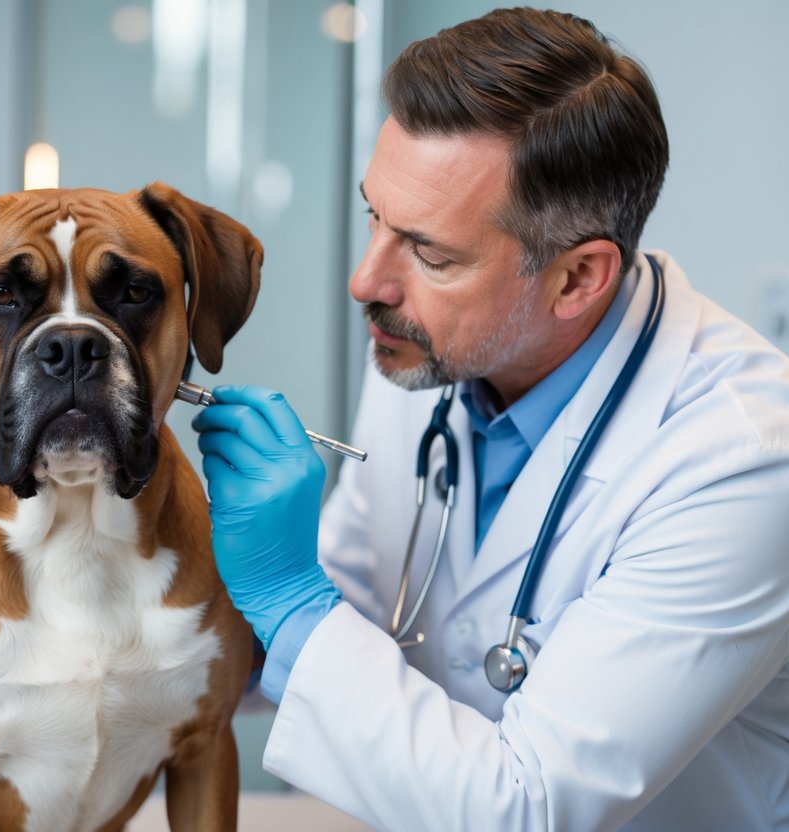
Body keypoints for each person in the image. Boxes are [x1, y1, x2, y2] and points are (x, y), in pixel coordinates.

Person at [192, 7, 789, 831]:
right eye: (373, 217)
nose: (366, 281)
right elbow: (366, 598)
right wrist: (194, 589)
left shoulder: (742, 460)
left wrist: (287, 598)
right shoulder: (428, 352)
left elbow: (527, 806)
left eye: (430, 254)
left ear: (577, 277)